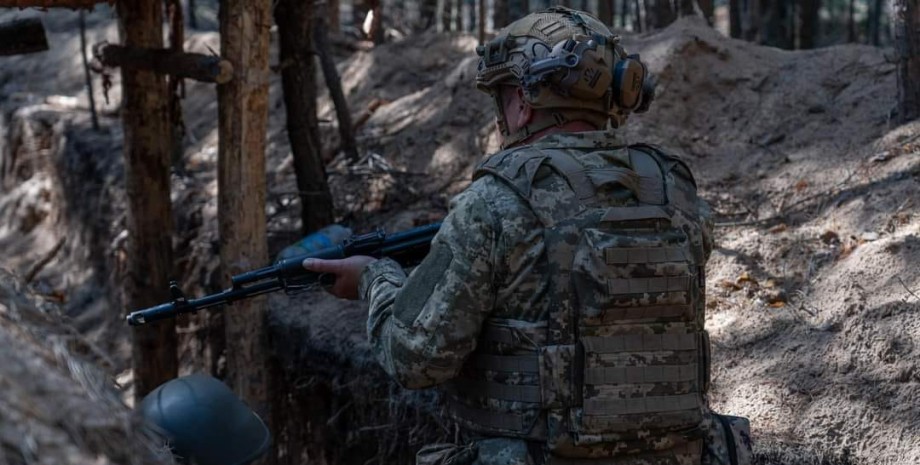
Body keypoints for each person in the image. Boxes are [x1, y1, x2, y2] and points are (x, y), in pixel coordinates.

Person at [304, 6, 752, 465]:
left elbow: (415, 357)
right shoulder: (675, 192)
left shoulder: (496, 202)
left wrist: (374, 280)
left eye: (501, 96)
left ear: (522, 100)